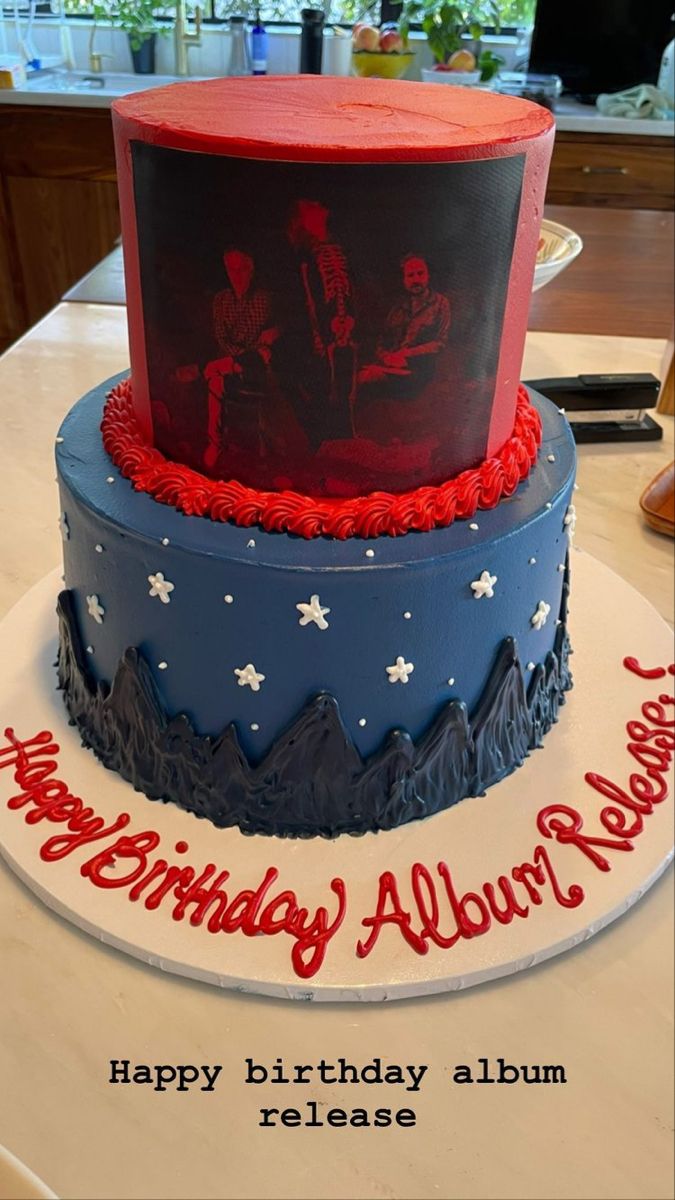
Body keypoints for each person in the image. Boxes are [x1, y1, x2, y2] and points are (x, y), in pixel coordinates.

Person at [285, 198, 357, 445]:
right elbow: (308, 299)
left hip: (344, 328)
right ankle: (323, 439)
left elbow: (350, 290)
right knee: (323, 383)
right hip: (317, 333)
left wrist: (350, 319)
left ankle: (345, 435)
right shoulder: (305, 257)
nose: (320, 208)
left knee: (345, 378)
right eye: (311, 209)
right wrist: (317, 334)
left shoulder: (340, 248)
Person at [203, 248, 278, 471]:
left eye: (242, 269)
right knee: (216, 380)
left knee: (212, 371)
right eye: (231, 269)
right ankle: (215, 444)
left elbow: (251, 336)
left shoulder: (262, 299)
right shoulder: (221, 300)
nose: (236, 275)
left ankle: (203, 369)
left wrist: (241, 356)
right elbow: (221, 337)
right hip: (232, 365)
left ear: (251, 270)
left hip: (255, 368)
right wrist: (238, 357)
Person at [358, 254, 450, 390]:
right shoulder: (398, 306)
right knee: (358, 377)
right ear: (404, 279)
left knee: (365, 380)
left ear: (428, 275)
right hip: (390, 367)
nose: (416, 280)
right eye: (410, 275)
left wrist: (407, 354)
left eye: (420, 273)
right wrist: (386, 357)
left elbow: (440, 343)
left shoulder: (441, 303)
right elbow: (382, 341)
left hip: (418, 370)